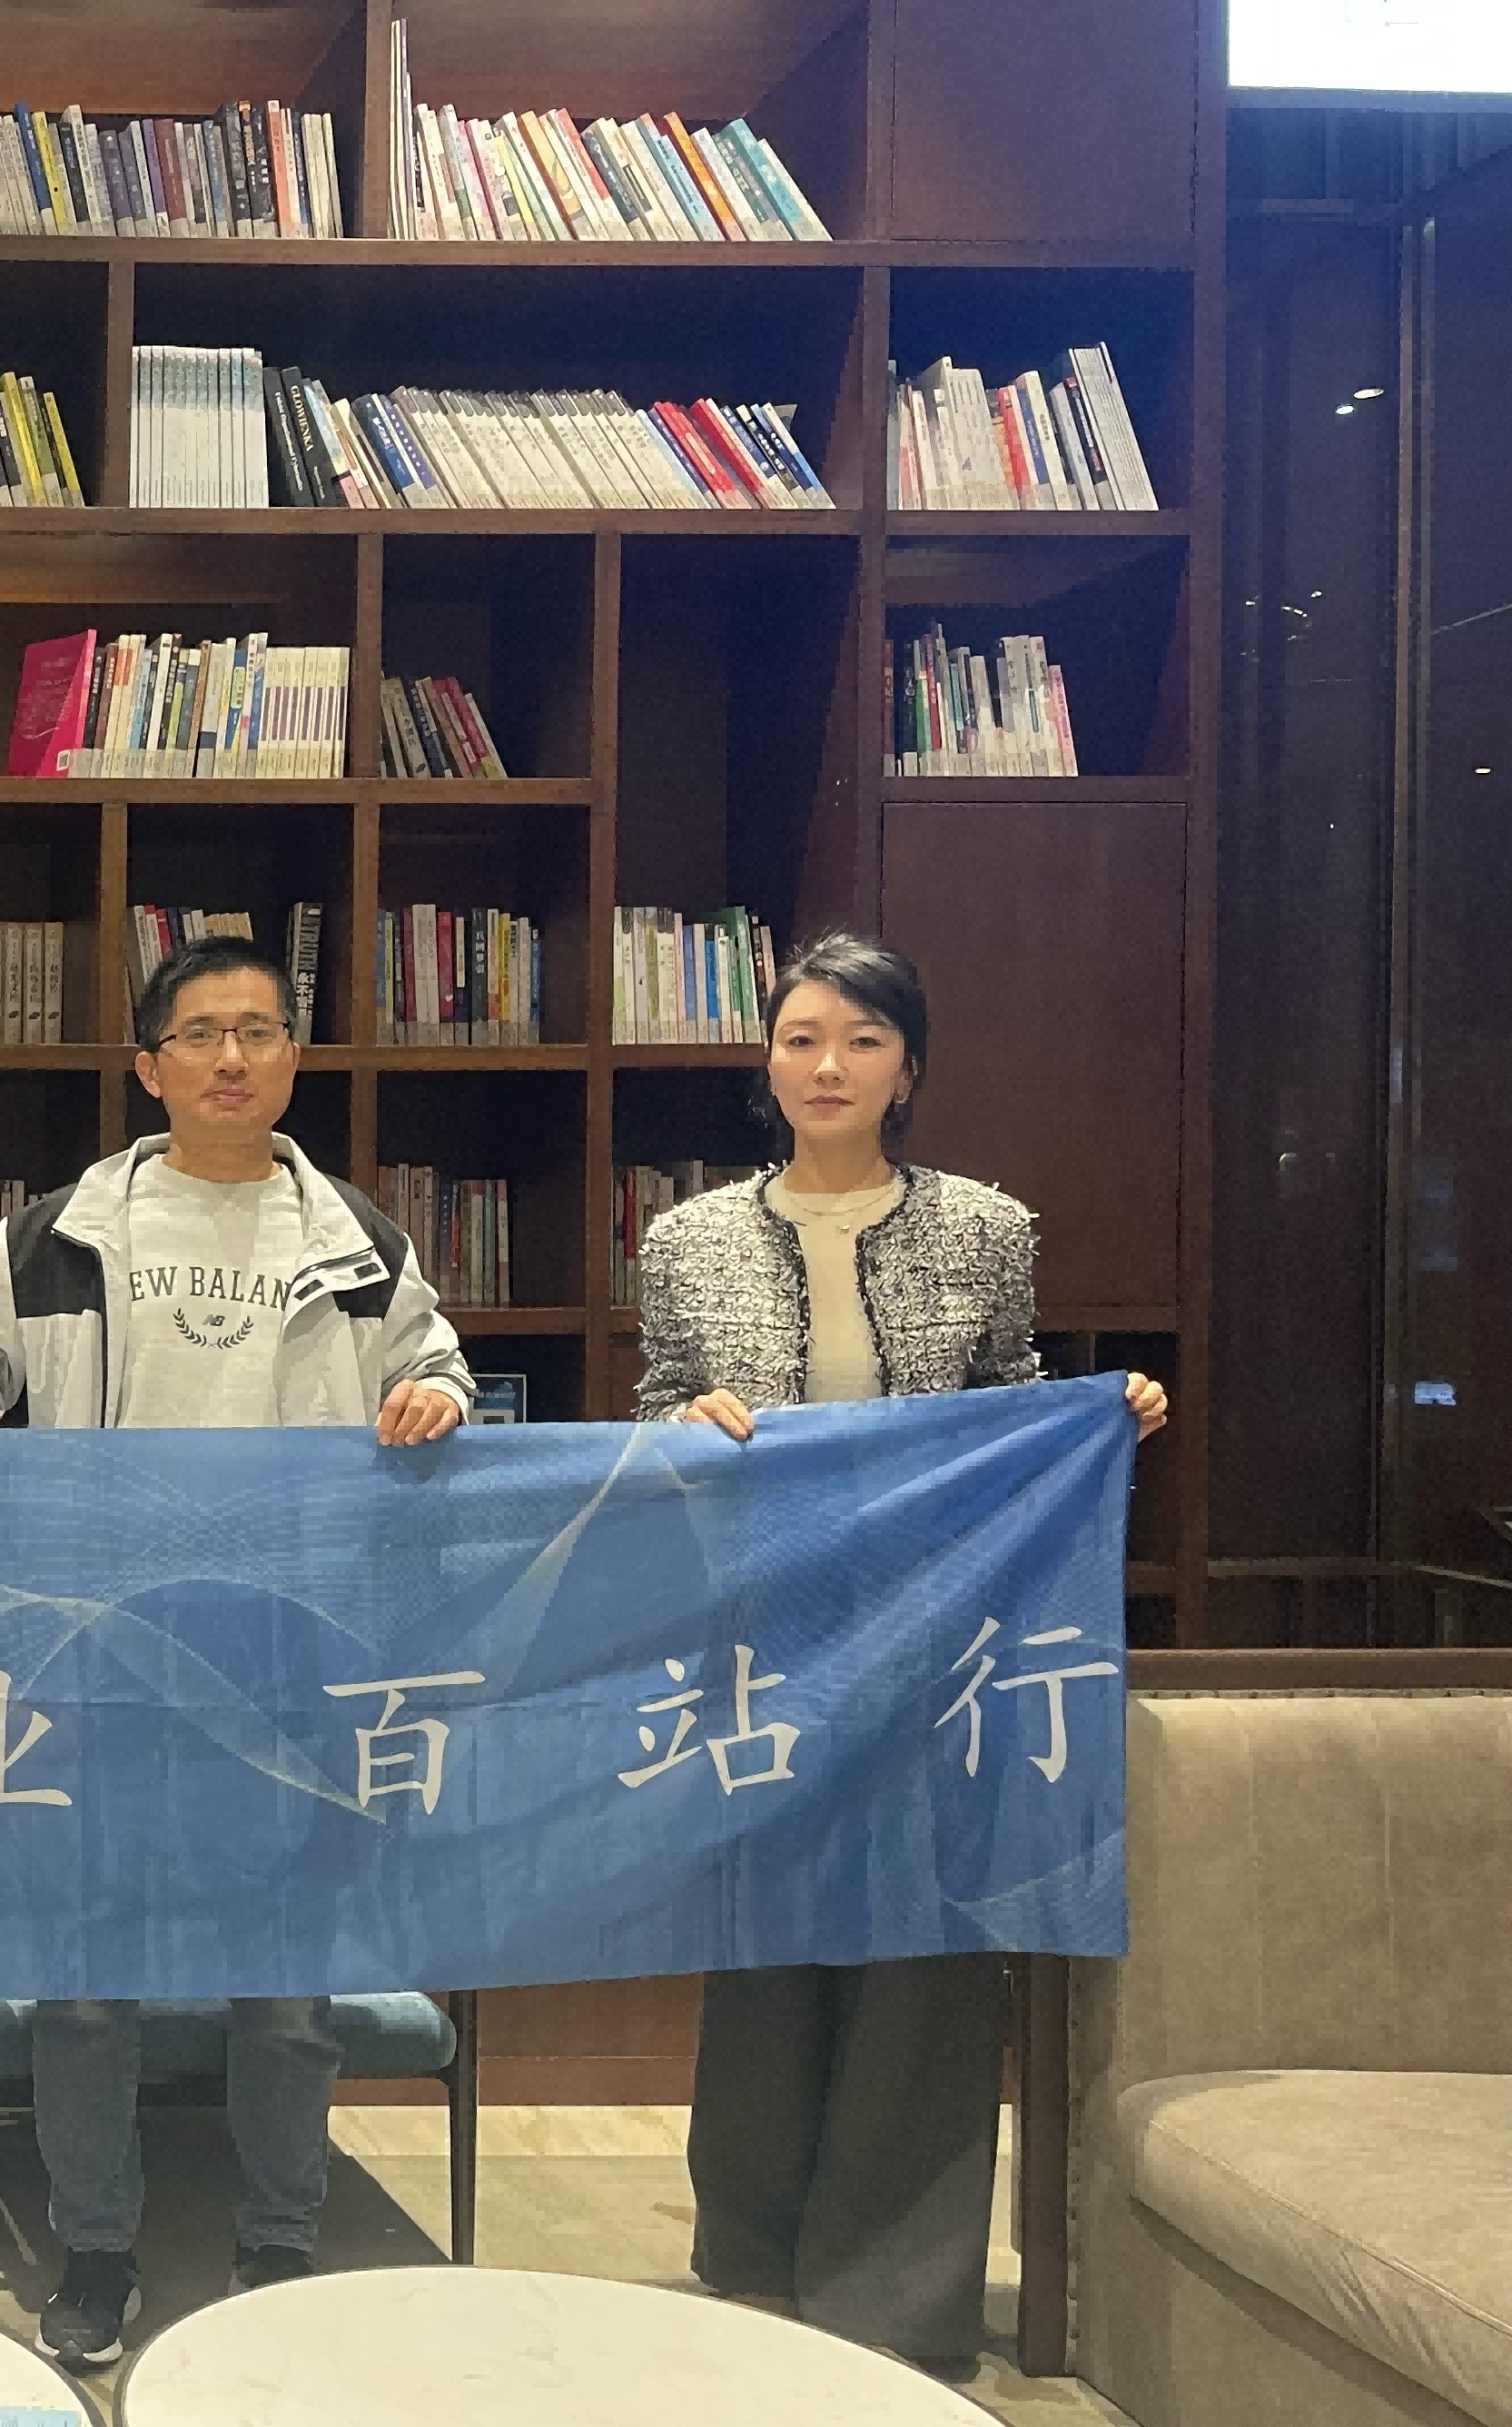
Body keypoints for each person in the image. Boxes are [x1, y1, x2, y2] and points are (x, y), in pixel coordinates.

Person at [0, 936, 472, 2367]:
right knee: (87, 1983)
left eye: (257, 1032)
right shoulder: (57, 1232)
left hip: (286, 1652)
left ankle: (279, 2242)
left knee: (284, 1985)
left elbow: (436, 1365)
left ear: (291, 1060)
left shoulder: (357, 1240)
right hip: (100, 1654)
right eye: (199, 1034)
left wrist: (438, 1398)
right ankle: (95, 2249)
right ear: (148, 1068)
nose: (229, 1058)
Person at [633, 931, 1165, 2378]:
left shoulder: (985, 1228)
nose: (827, 1066)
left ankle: (895, 2293)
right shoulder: (684, 1239)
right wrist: (682, 1423)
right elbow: (658, 1404)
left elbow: (1007, 1408)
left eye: (861, 1041)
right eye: (801, 1038)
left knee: (927, 1948)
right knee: (771, 1935)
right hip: (767, 1632)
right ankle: (754, 2251)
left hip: (941, 1634)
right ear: (766, 1061)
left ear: (906, 1068)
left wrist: (1100, 1413)